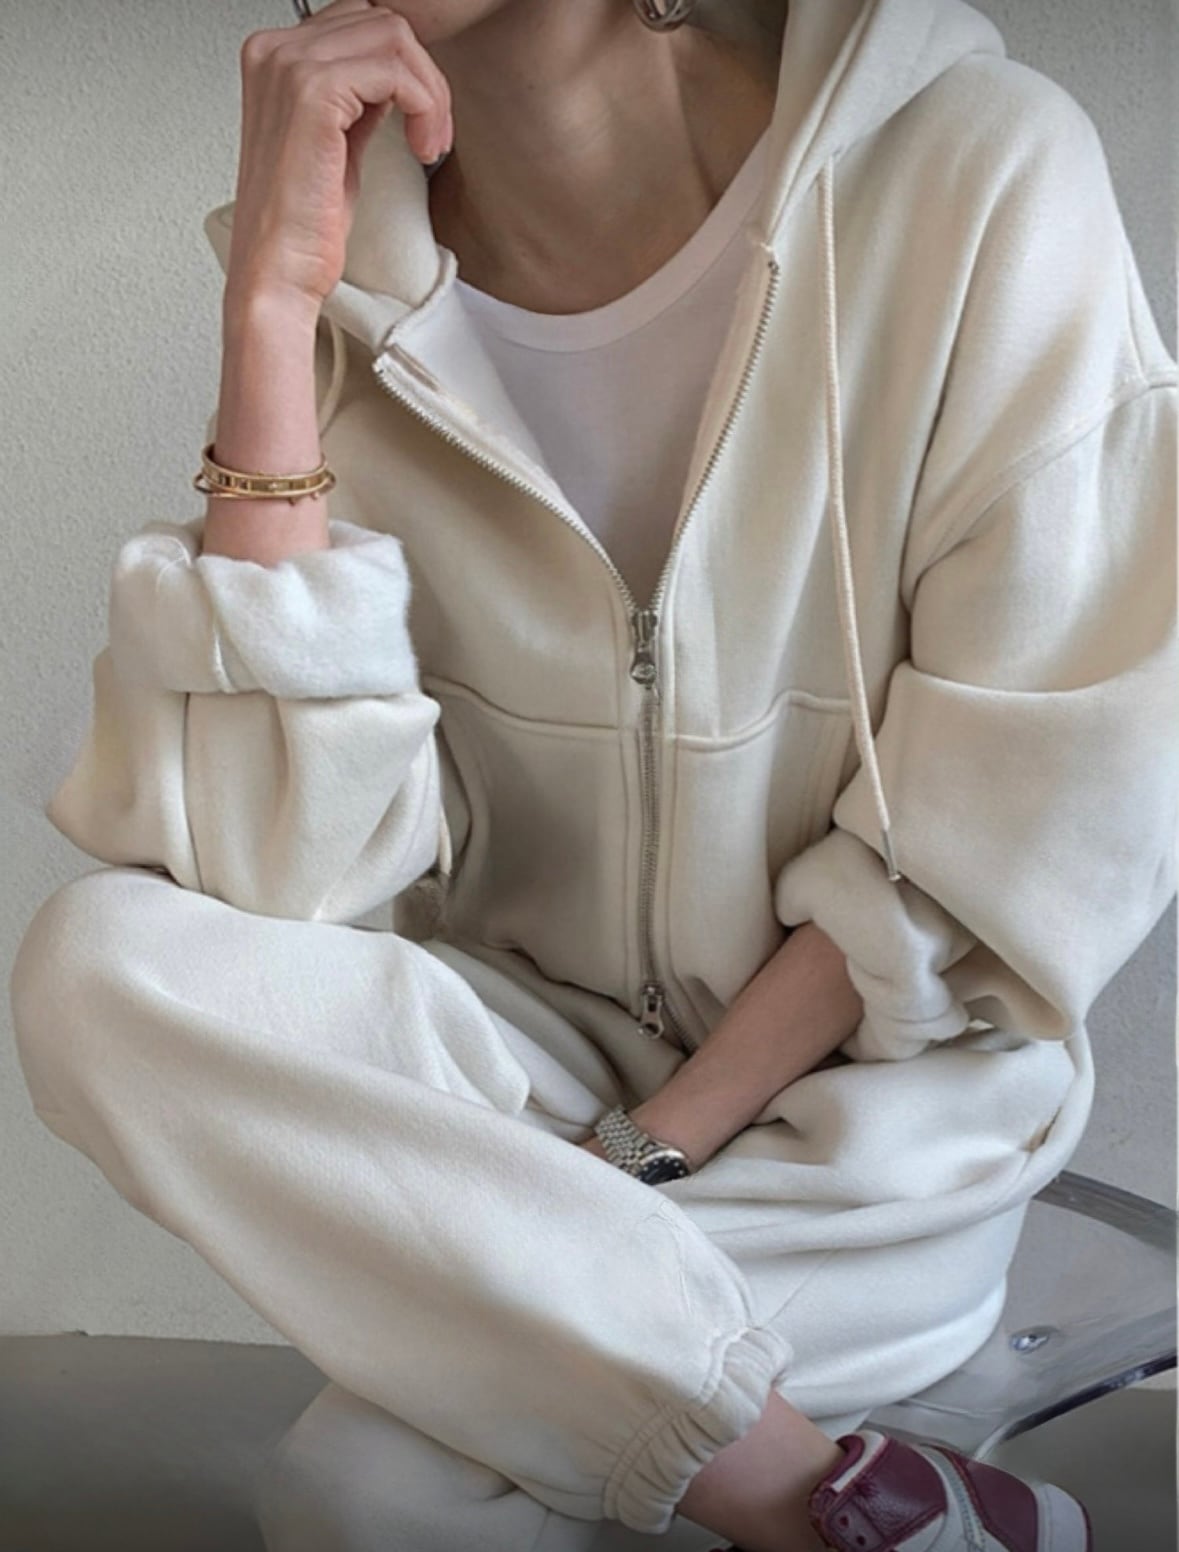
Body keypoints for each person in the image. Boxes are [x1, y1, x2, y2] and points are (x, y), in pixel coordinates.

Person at [9, 0, 1175, 1548]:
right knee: (98, 960)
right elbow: (277, 875)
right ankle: (859, 1510)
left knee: (369, 1494)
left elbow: (1024, 805)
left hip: (868, 1130)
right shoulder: (362, 272)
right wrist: (273, 316)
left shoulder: (971, 172)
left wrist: (641, 1152)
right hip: (529, 1084)